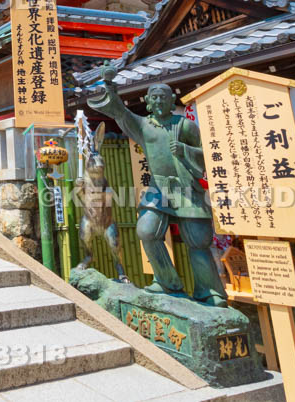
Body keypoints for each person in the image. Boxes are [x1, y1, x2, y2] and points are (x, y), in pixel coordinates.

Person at [87, 62, 227, 306]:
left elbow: (208, 154)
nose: (159, 101)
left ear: (171, 99)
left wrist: (184, 149)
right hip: (158, 189)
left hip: (186, 188)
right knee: (147, 230)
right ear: (148, 102)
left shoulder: (185, 125)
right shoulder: (144, 126)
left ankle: (209, 292)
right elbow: (120, 112)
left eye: (163, 97)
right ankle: (167, 282)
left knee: (198, 241)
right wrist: (109, 86)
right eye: (155, 97)